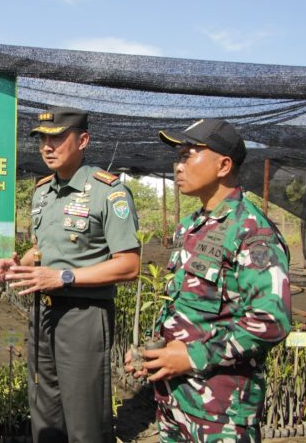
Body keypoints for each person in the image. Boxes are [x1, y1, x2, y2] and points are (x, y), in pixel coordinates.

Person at [125, 119, 291, 441]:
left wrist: (191, 356)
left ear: (223, 165)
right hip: (174, 402)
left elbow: (271, 321)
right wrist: (153, 353)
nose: (178, 166)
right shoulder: (190, 225)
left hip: (220, 412)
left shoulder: (253, 233)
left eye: (188, 155)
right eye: (178, 157)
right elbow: (183, 302)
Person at [0, 107, 140, 443]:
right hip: (43, 313)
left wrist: (63, 278)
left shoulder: (108, 192)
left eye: (57, 137)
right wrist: (17, 267)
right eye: (42, 139)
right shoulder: (42, 191)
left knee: (84, 421)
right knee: (44, 413)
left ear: (82, 140)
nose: (46, 146)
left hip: (83, 316)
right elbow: (41, 249)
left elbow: (129, 265)